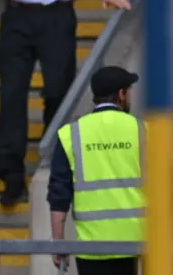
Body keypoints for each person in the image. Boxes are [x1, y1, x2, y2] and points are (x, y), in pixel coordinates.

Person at [0, 0, 132, 205]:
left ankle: (54, 164)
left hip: (58, 16)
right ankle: (11, 175)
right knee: (12, 93)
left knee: (59, 91)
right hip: (16, 15)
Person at [47, 66, 144, 275]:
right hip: (136, 244)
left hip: (91, 247)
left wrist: (58, 242)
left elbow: (59, 195)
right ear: (121, 94)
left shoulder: (71, 134)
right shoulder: (143, 130)